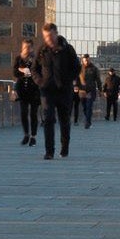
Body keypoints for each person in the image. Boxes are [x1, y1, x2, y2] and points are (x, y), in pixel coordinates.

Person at [32, 22, 81, 160]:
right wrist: (40, 81)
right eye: (45, 37)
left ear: (56, 33)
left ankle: (64, 147)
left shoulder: (68, 49)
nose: (48, 39)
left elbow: (77, 67)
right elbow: (34, 68)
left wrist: (68, 80)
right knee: (48, 119)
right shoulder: (42, 50)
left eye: (50, 36)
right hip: (47, 91)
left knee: (64, 120)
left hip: (64, 91)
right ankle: (49, 151)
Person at [13, 39, 40, 147]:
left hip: (34, 90)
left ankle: (33, 136)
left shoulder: (35, 59)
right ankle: (26, 134)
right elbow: (14, 72)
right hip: (22, 90)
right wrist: (22, 72)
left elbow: (39, 72)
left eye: (28, 47)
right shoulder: (18, 59)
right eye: (24, 47)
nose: (26, 50)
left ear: (32, 48)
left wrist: (31, 74)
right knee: (23, 113)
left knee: (33, 114)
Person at [77, 58, 100, 129]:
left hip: (91, 90)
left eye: (87, 60)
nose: (86, 62)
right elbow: (75, 78)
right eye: (85, 60)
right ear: (82, 61)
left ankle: (87, 122)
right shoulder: (79, 69)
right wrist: (75, 86)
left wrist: (100, 89)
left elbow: (98, 80)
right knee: (84, 107)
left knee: (89, 106)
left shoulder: (94, 69)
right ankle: (87, 118)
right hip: (82, 91)